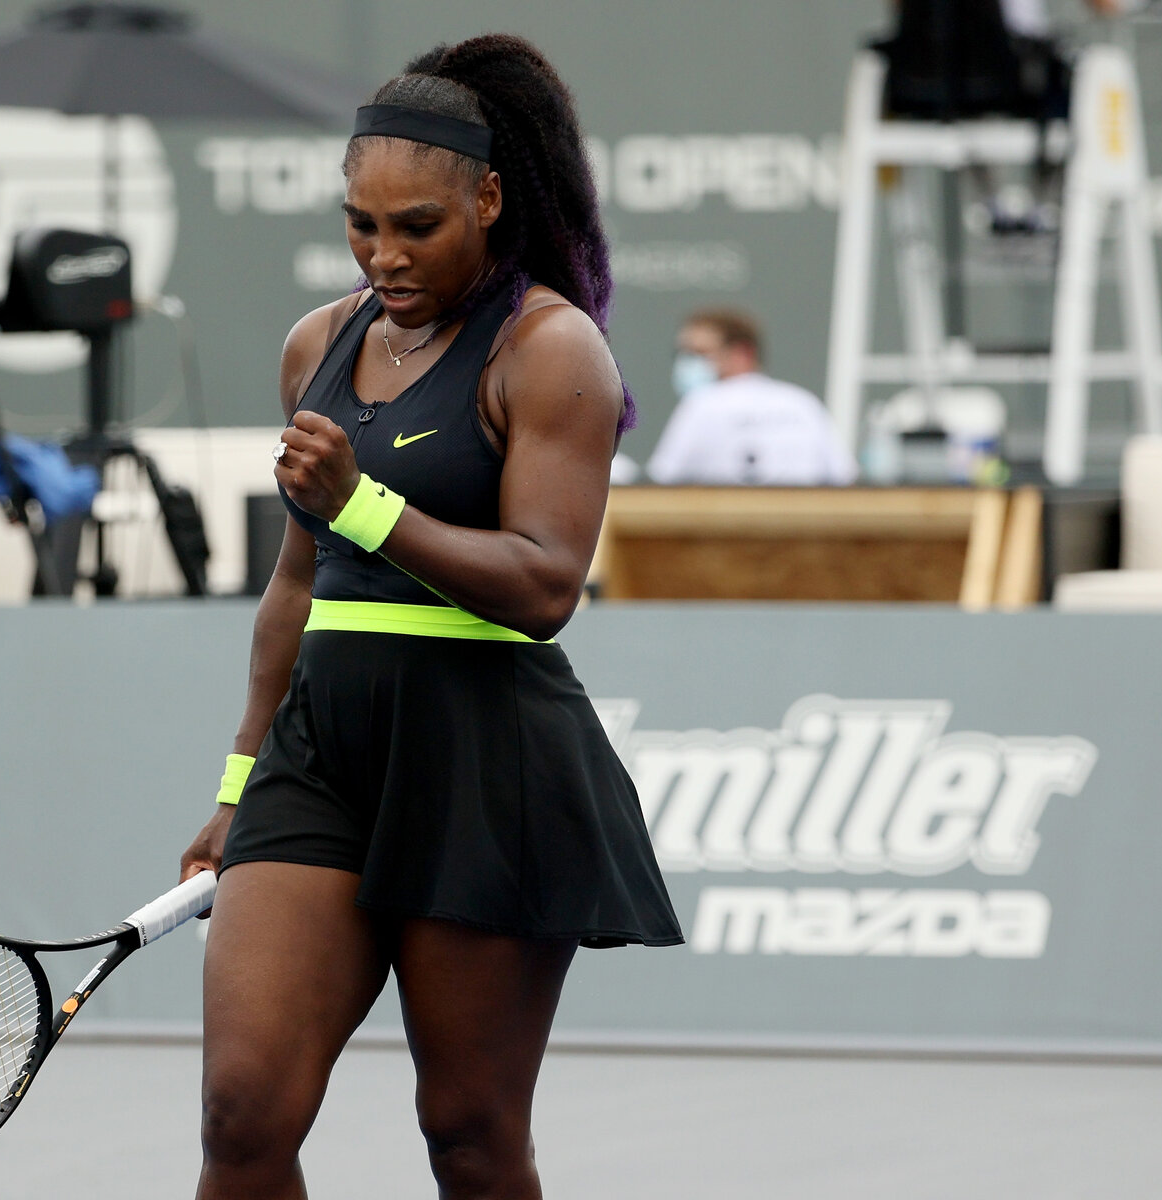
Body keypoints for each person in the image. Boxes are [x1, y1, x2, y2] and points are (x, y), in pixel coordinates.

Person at [178, 36, 681, 1200]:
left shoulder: (552, 351)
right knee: (241, 1114)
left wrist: (360, 499)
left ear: (490, 199)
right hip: (321, 756)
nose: (384, 255)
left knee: (466, 1131)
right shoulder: (320, 342)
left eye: (417, 226)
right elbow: (295, 586)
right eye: (362, 224)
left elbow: (547, 585)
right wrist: (237, 781)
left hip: (485, 759)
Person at [645, 308, 858, 486]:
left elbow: (660, 483)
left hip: (722, 531)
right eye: (683, 354)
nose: (687, 363)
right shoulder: (803, 404)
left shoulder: (702, 404)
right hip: (803, 533)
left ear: (742, 353)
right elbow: (846, 480)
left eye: (699, 353)